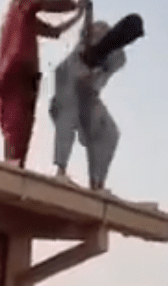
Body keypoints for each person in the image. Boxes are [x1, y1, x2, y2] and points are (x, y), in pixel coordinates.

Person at [0, 0, 84, 168]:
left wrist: (78, 14)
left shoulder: (17, 15)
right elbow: (47, 5)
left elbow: (54, 32)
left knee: (13, 123)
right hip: (22, 69)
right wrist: (75, 4)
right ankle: (15, 165)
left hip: (6, 75)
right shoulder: (23, 3)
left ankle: (12, 163)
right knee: (21, 122)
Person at [49, 14, 144, 191]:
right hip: (66, 85)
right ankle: (60, 171)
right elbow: (85, 37)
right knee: (68, 112)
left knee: (110, 133)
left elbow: (94, 82)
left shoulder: (119, 58)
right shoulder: (100, 28)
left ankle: (97, 184)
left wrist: (96, 69)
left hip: (88, 96)